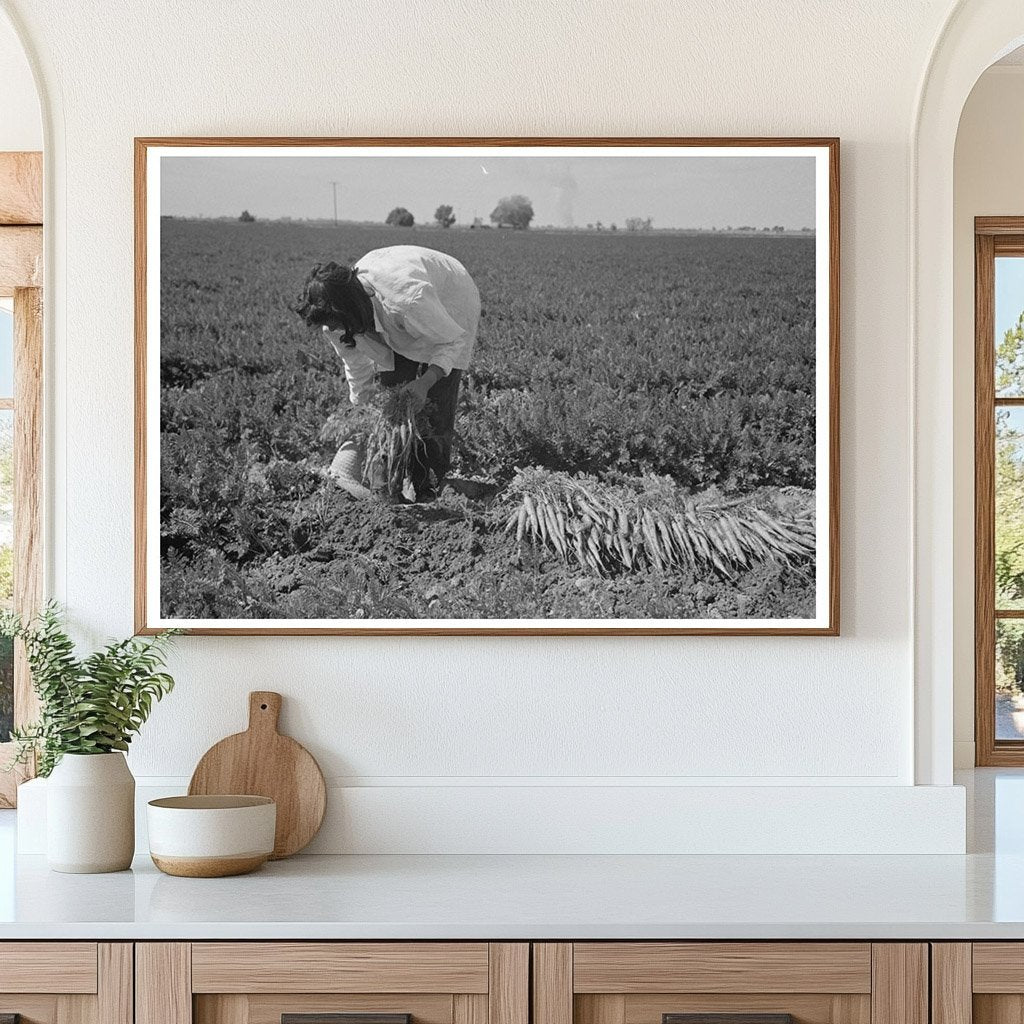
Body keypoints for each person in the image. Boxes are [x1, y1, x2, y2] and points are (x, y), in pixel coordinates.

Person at [295, 245, 481, 501]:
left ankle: (429, 489)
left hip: (450, 299)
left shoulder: (407, 301)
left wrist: (425, 382)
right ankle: (389, 488)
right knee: (392, 400)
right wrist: (363, 414)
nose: (332, 329)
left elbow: (451, 342)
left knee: (434, 404)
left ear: (349, 310)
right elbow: (358, 369)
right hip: (399, 314)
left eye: (335, 323)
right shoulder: (335, 322)